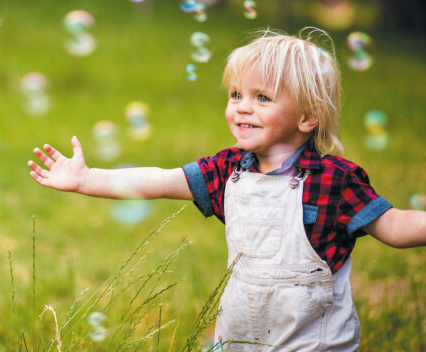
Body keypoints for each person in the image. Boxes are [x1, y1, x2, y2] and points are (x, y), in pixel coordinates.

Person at [27, 30, 426, 351]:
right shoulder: (226, 170)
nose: (242, 107)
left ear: (307, 117)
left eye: (262, 97)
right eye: (236, 94)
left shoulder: (335, 180)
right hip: (239, 337)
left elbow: (393, 226)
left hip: (311, 343)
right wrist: (85, 179)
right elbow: (157, 180)